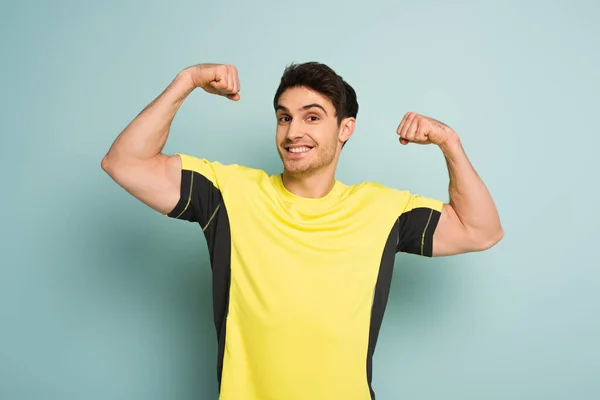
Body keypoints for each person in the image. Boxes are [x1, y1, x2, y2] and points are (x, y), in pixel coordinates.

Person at [101, 62, 503, 400]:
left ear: (345, 128)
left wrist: (449, 143)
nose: (293, 132)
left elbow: (480, 230)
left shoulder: (385, 211)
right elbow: (124, 162)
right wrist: (186, 81)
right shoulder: (229, 193)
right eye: (284, 117)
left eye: (312, 117)